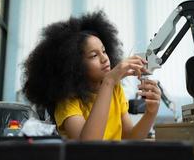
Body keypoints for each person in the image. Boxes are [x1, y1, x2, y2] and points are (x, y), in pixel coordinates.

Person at [22, 11, 161, 141]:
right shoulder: (67, 102)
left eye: (104, 51)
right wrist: (109, 81)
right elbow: (89, 147)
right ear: (75, 65)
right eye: (94, 55)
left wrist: (150, 113)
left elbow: (130, 138)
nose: (104, 59)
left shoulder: (115, 89)